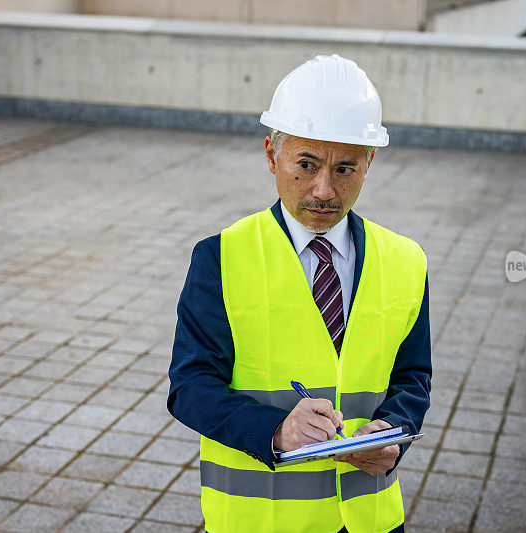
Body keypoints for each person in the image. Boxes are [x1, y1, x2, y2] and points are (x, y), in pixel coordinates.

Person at [168, 54, 431, 533]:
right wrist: (276, 431)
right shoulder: (221, 258)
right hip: (259, 521)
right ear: (272, 155)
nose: (324, 190)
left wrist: (391, 435)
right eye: (305, 165)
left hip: (371, 519)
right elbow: (189, 388)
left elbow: (413, 377)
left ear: (370, 162)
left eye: (346, 169)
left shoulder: (406, 260)